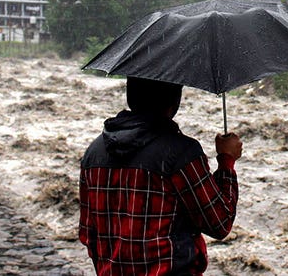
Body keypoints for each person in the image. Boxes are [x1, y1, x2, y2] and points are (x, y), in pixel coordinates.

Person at [79, 76, 242, 275]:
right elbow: (219, 222)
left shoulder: (94, 153)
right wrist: (226, 161)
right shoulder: (181, 153)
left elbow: (88, 234)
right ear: (174, 100)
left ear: (131, 95)